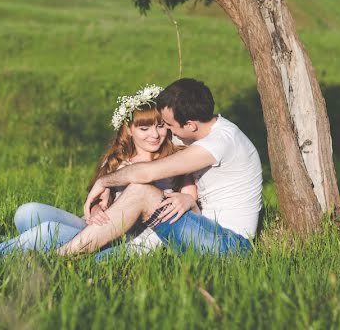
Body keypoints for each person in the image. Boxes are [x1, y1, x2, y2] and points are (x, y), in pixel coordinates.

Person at [58, 78, 262, 256]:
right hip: (201, 227)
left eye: (168, 125)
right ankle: (71, 247)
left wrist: (103, 182)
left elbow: (146, 173)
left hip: (228, 244)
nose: (166, 132)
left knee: (141, 191)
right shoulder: (201, 131)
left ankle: (61, 256)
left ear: (190, 125)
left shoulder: (219, 143)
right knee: (101, 259)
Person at [0, 84, 197, 256]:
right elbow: (97, 204)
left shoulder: (175, 160)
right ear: (129, 129)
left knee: (48, 231)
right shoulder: (118, 160)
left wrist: (187, 199)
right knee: (27, 211)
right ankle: (27, 250)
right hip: (99, 228)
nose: (154, 135)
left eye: (160, 126)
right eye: (144, 128)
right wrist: (97, 210)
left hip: (127, 239)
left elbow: (190, 201)